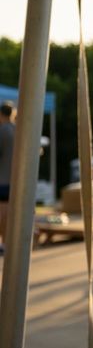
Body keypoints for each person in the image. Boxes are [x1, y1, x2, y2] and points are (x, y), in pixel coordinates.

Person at [0, 101, 15, 256]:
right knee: (12, 212)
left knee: (3, 212)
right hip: (17, 181)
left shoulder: (3, 130)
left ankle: (3, 243)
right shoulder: (18, 129)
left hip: (3, 179)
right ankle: (8, 241)